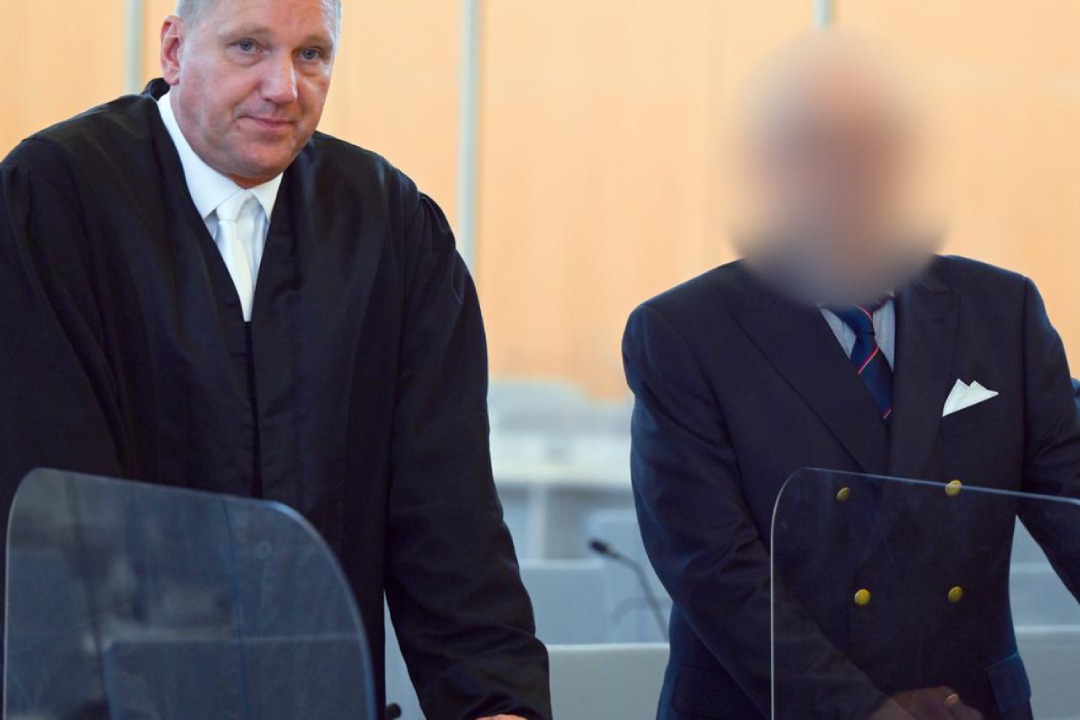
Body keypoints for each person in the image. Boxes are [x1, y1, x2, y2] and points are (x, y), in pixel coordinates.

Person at [0, 0, 549, 718]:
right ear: (174, 50)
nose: (283, 87)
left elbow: (449, 518)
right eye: (248, 47)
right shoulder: (55, 201)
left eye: (310, 54)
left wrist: (496, 702)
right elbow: (55, 524)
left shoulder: (388, 225)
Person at [623, 32, 1080, 720]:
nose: (853, 176)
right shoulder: (685, 334)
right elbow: (717, 572)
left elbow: (1072, 502)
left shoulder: (1002, 311)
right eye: (821, 148)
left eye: (877, 148)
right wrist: (868, 712)